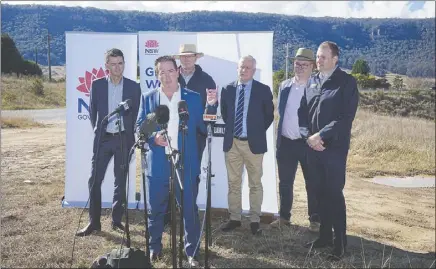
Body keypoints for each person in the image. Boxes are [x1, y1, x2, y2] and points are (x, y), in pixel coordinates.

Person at [136, 56, 217, 267]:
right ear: (156, 75)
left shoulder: (192, 97)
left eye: (170, 71)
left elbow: (203, 127)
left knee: (189, 209)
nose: (167, 75)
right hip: (157, 163)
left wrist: (211, 107)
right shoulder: (148, 98)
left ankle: (191, 251)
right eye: (161, 72)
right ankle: (154, 248)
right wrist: (153, 138)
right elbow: (139, 129)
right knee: (155, 209)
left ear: (178, 71)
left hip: (186, 162)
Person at [299, 41, 359, 261]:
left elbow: (345, 118)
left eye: (323, 56)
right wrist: (308, 136)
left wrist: (320, 136)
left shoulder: (346, 82)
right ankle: (324, 237)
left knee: (334, 194)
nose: (318, 60)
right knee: (319, 193)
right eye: (317, 56)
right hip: (313, 148)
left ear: (335, 59)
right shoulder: (312, 80)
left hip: (333, 149)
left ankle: (340, 244)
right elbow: (302, 112)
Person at [76, 48, 141, 237]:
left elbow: (136, 113)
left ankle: (116, 220)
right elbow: (92, 113)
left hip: (123, 139)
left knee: (120, 182)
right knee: (94, 180)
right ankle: (94, 223)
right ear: (106, 66)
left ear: (124, 64)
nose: (117, 67)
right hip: (103, 140)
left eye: (120, 63)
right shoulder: (96, 86)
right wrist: (100, 131)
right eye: (113, 64)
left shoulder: (133, 87)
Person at [219, 55, 274, 235]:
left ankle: (254, 221)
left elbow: (268, 116)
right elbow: (226, 115)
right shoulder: (227, 89)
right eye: (242, 67)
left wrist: (254, 132)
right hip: (233, 143)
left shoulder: (264, 90)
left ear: (254, 70)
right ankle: (235, 218)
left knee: (255, 184)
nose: (244, 70)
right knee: (233, 183)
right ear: (238, 68)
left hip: (254, 144)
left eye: (248, 68)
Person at [269, 48, 320, 232]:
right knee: (285, 183)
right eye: (297, 64)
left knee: (313, 182)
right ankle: (284, 217)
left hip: (308, 144)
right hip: (286, 142)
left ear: (312, 66)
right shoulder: (284, 86)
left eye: (304, 64)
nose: (299, 67)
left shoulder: (317, 87)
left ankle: (315, 220)